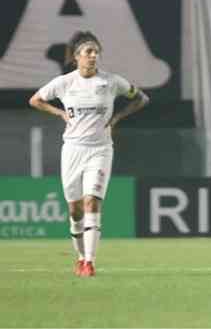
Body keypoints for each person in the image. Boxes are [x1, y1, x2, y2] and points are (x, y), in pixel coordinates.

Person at [29, 31, 149, 277]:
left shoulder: (111, 82)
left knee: (91, 201)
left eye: (96, 52)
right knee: (75, 210)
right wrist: (60, 113)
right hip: (72, 149)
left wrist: (117, 117)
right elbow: (36, 100)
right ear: (77, 57)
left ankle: (90, 263)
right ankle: (81, 257)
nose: (93, 56)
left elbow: (141, 98)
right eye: (88, 52)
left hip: (100, 150)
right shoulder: (64, 82)